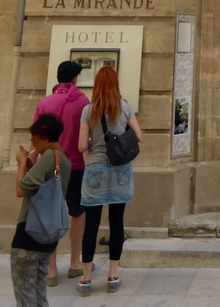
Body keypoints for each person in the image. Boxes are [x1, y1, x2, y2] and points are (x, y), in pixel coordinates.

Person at [77, 65, 142, 296]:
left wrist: (95, 141)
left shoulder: (88, 110)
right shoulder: (124, 107)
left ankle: (85, 278)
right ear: (115, 84)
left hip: (95, 169)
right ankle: (113, 275)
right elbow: (139, 135)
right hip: (120, 171)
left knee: (91, 225)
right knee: (117, 222)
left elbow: (81, 146)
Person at [33, 60, 89, 285]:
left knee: (50, 215)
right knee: (77, 212)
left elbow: (36, 137)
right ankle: (75, 263)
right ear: (75, 78)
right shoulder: (83, 102)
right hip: (75, 164)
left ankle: (51, 269)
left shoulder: (44, 102)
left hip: (49, 165)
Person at [10, 113, 71, 307]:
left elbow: (20, 190)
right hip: (48, 235)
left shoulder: (47, 157)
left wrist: (21, 162)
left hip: (29, 232)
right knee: (38, 294)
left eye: (34, 139)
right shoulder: (64, 160)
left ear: (44, 136)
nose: (33, 143)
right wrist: (30, 166)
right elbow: (43, 186)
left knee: (25, 296)